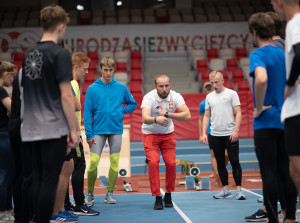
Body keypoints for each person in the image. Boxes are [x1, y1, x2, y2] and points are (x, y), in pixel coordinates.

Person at [20, 5, 80, 223]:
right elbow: (66, 97)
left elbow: (25, 91)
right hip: (52, 127)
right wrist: (73, 130)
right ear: (61, 26)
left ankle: (34, 219)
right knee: (50, 179)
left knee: (37, 178)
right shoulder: (60, 54)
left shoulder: (29, 53)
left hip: (29, 126)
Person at [247, 12, 297, 223]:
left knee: (269, 172)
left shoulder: (258, 54)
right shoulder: (285, 52)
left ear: (255, 32)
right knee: (287, 171)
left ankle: (273, 220)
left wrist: (259, 107)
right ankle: (290, 218)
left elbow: (261, 79)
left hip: (266, 121)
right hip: (286, 118)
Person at [84, 57, 137, 206]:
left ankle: (109, 193)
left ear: (114, 70)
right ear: (101, 70)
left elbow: (133, 104)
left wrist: (120, 111)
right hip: (98, 130)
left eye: (110, 70)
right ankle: (90, 193)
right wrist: (89, 134)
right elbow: (87, 113)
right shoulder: (92, 88)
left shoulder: (121, 88)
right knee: (93, 162)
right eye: (105, 70)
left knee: (114, 162)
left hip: (115, 130)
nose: (108, 73)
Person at [141, 74, 191, 210]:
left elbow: (187, 115)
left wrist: (167, 114)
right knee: (153, 162)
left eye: (166, 86)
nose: (164, 89)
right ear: (155, 86)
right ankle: (157, 197)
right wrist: (156, 119)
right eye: (161, 86)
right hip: (150, 134)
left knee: (171, 164)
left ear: (170, 85)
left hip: (167, 135)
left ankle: (168, 194)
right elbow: (145, 118)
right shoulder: (149, 97)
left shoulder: (175, 96)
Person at [271, 0, 300, 204]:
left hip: (296, 107)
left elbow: (298, 54)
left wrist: (289, 83)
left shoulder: (294, 23)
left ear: (280, 2)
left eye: (272, 3)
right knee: (293, 171)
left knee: (296, 170)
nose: (273, 8)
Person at [64, 52, 99, 216]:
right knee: (79, 166)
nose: (86, 72)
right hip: (71, 132)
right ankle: (79, 204)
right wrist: (75, 132)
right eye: (84, 69)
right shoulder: (73, 84)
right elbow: (72, 109)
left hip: (65, 131)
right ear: (75, 67)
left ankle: (65, 204)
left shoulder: (66, 82)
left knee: (66, 169)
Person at [202, 70, 246, 200]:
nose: (214, 85)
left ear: (222, 81)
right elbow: (206, 115)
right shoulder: (209, 97)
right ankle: (225, 189)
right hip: (214, 134)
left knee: (234, 161)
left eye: (216, 82)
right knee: (220, 162)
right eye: (212, 83)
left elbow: (238, 113)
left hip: (230, 134)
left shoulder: (232, 94)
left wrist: (236, 130)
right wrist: (204, 132)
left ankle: (239, 190)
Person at [198, 83, 229, 186]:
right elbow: (201, 119)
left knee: (226, 155)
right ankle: (218, 176)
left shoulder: (222, 101)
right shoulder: (203, 104)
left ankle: (220, 171)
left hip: (224, 130)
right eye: (207, 95)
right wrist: (201, 134)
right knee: (214, 154)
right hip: (212, 132)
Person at [0, 61, 17, 221]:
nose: (11, 80)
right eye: (11, 77)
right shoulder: (1, 90)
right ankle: (2, 211)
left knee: (9, 173)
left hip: (4, 135)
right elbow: (15, 109)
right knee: (5, 174)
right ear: (6, 74)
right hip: (3, 135)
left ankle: (8, 208)